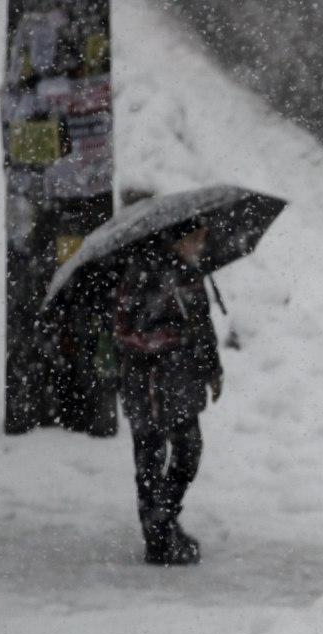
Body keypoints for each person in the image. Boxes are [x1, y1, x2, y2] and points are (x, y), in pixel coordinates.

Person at [114, 225, 223, 565]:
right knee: (150, 456)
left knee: (188, 450)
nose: (200, 245)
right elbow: (127, 332)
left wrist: (212, 369)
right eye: (195, 238)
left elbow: (203, 326)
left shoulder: (191, 276)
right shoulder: (142, 274)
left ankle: (163, 520)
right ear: (177, 240)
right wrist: (170, 338)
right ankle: (158, 537)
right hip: (149, 383)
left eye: (203, 238)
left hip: (180, 382)